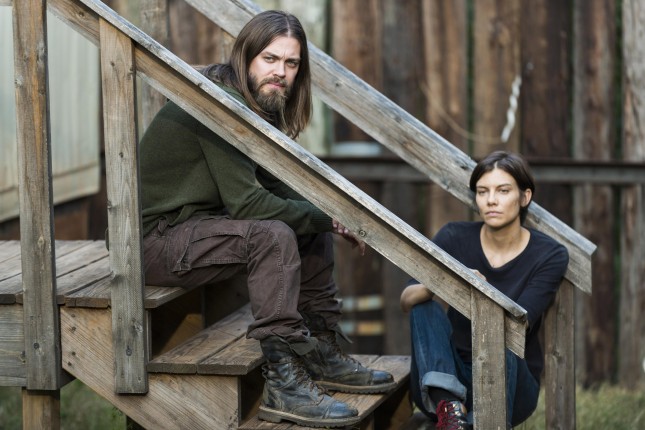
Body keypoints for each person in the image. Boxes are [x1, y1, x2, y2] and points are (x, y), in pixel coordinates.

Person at [138, 9, 394, 428]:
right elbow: (250, 206)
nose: (281, 72)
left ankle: (321, 352)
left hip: (197, 229)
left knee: (307, 225)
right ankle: (283, 382)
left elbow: (277, 186)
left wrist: (331, 217)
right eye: (270, 59)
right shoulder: (218, 104)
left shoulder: (252, 104)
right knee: (273, 234)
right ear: (246, 57)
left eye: (291, 63)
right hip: (154, 241)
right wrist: (324, 218)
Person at [400, 151, 569, 430]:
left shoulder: (549, 254)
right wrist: (448, 280)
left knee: (506, 335)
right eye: (482, 191)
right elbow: (406, 299)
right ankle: (450, 411)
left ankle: (470, 419)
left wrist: (480, 291)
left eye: (503, 191)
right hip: (449, 375)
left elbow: (519, 324)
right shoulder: (453, 236)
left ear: (525, 197)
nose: (491, 200)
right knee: (424, 306)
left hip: (514, 384)